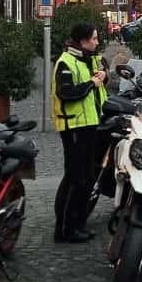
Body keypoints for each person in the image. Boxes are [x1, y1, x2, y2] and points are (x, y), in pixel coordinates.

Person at [52, 22, 107, 244]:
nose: (97, 42)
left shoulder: (88, 59)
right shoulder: (66, 62)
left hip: (90, 124)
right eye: (94, 38)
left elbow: (101, 82)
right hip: (74, 127)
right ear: (83, 41)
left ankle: (77, 223)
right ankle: (65, 228)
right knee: (76, 178)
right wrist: (91, 83)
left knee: (86, 177)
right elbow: (66, 93)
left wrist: (103, 76)